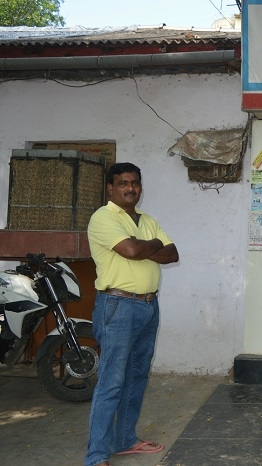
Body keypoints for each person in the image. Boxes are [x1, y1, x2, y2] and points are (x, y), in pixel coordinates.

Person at [84, 162, 179, 466]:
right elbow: (131, 251)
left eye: (135, 183)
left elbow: (172, 254)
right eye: (123, 183)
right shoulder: (103, 217)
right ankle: (96, 456)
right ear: (110, 188)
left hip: (149, 306)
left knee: (137, 375)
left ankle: (125, 439)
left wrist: (144, 245)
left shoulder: (147, 220)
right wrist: (153, 245)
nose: (130, 188)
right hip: (118, 306)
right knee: (111, 381)